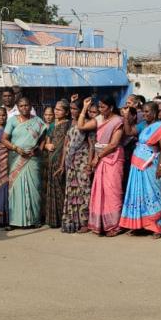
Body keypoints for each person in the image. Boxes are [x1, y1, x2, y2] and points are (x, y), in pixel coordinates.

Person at [119, 103, 161, 236]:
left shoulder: (160, 127)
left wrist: (160, 166)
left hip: (151, 165)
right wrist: (125, 117)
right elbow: (129, 132)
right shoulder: (142, 125)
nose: (145, 114)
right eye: (144, 112)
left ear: (154, 112)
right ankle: (139, 225)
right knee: (138, 194)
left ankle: (156, 227)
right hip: (137, 165)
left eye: (148, 112)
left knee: (153, 194)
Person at [79, 95, 125, 236]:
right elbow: (81, 126)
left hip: (113, 158)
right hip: (101, 158)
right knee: (100, 191)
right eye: (99, 107)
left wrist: (98, 157)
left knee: (112, 192)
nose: (100, 109)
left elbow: (113, 144)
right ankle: (100, 224)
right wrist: (85, 107)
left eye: (103, 107)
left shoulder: (118, 121)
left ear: (111, 107)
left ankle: (114, 226)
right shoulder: (99, 119)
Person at [2, 97, 46, 230]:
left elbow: (43, 139)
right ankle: (15, 221)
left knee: (34, 189)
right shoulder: (12, 120)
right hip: (17, 158)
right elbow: (4, 139)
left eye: (26, 105)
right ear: (18, 107)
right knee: (15, 189)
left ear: (30, 106)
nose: (24, 108)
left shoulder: (37, 121)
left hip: (33, 159)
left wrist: (39, 149)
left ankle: (35, 219)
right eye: (21, 106)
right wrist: (16, 148)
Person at [61, 97, 94, 233]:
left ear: (81, 110)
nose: (72, 111)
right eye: (71, 108)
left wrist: (90, 164)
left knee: (84, 190)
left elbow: (92, 146)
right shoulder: (70, 124)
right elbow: (66, 145)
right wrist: (62, 164)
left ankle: (85, 223)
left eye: (75, 109)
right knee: (72, 192)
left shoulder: (87, 123)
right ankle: (73, 222)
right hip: (71, 163)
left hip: (82, 161)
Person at [41, 100, 70, 228]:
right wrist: (47, 145)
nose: (56, 112)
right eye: (55, 109)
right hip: (51, 159)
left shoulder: (68, 125)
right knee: (51, 188)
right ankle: (53, 219)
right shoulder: (52, 125)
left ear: (66, 112)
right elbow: (46, 142)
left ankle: (64, 218)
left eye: (59, 110)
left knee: (61, 187)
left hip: (62, 159)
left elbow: (68, 143)